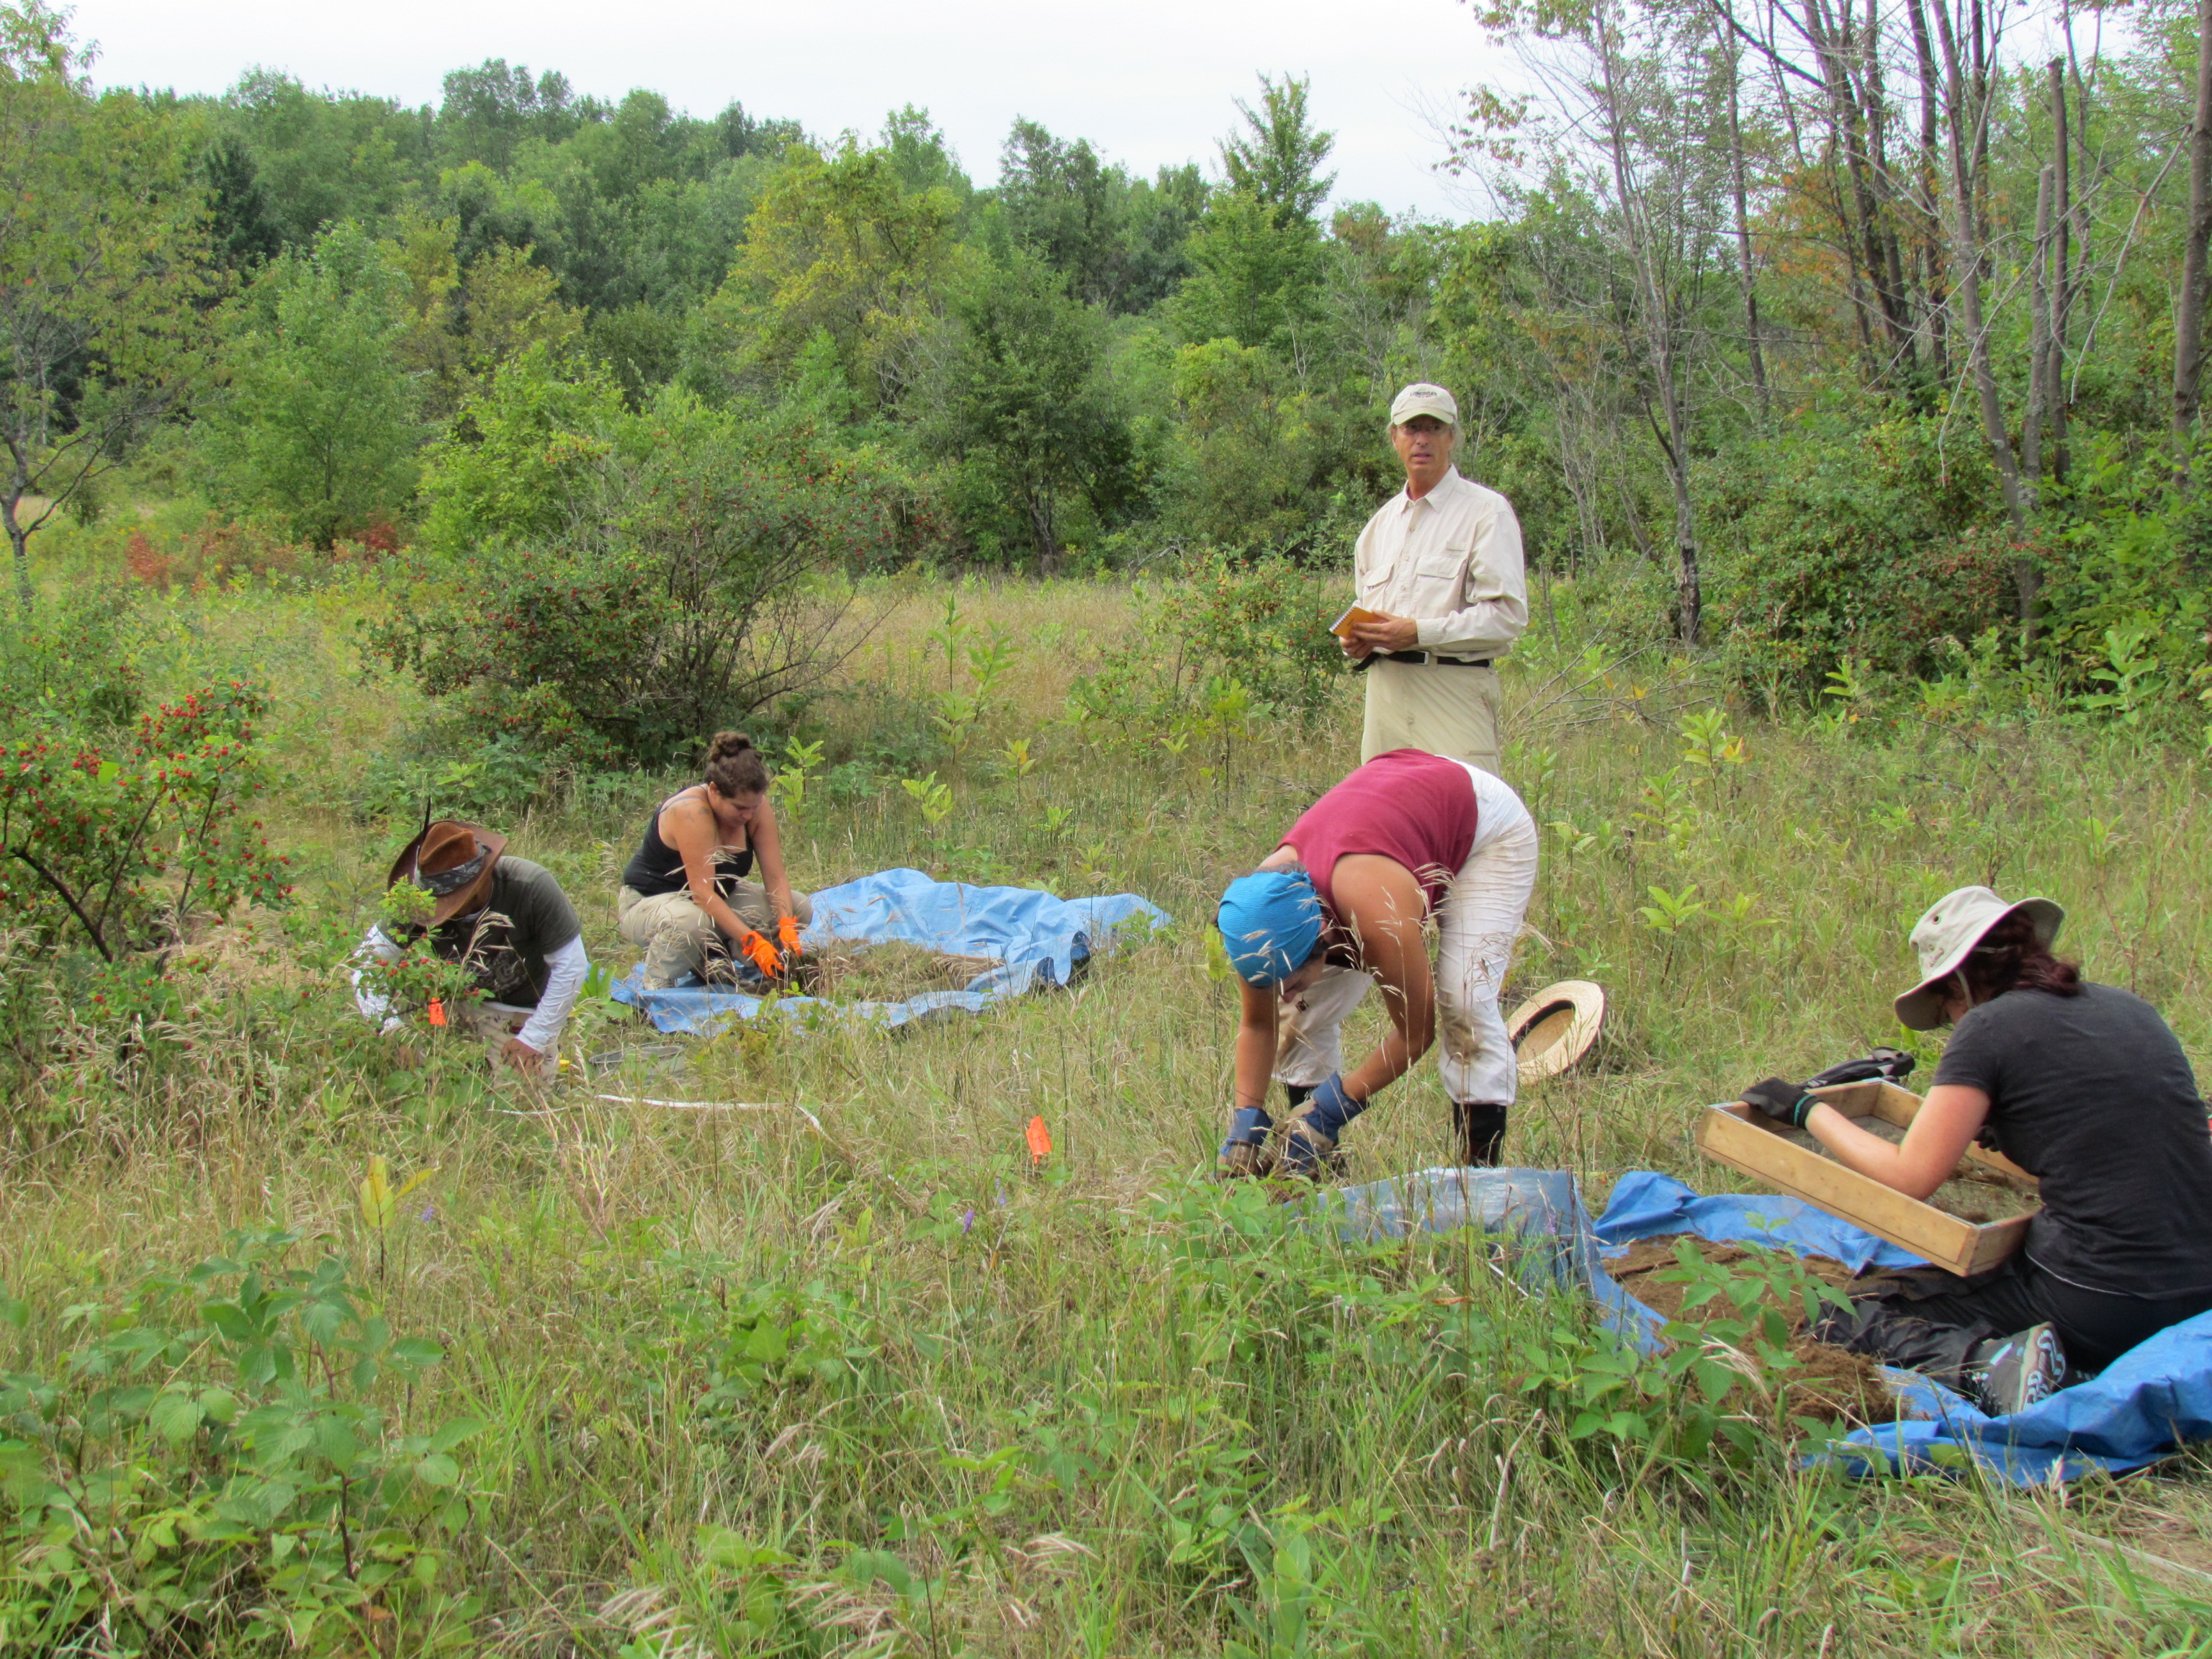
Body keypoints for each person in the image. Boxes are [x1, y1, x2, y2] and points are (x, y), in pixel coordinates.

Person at [1740, 886, 2212, 1416]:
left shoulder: (1989, 1028)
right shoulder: (2132, 1008)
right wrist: (2014, 1131)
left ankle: (1994, 1368)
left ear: (1959, 983)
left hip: (2104, 1299)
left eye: (1947, 1011)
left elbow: (1911, 1175)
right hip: (2200, 1290)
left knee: (1841, 1313)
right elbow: (2110, 1134)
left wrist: (1808, 1110)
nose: (1953, 1023)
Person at [1213, 747, 1539, 1177]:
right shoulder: (1258, 916)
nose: (1283, 994)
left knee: (1466, 1003)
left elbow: (1415, 1033)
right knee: (1300, 1016)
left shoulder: (1376, 913)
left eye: (1289, 982)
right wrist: (1245, 1123)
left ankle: (1478, 1182)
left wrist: (1335, 1107)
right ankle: (1312, 1170)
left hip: (1482, 824)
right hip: (1389, 809)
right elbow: (1259, 1025)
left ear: (1324, 936)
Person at [1338, 382, 1528, 778]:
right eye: (1411, 428)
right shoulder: (1378, 527)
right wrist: (1357, 640)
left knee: (1462, 808)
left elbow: (1507, 617)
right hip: (1385, 696)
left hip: (1453, 690)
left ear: (1451, 437)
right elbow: (1366, 610)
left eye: (1434, 428)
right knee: (1385, 813)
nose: (1422, 439)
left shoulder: (1486, 512)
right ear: (1394, 438)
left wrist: (1419, 632)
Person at [352, 819, 590, 1074]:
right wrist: (392, 1031)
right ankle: (426, 1066)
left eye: (449, 903)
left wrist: (535, 1037)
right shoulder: (419, 900)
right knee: (408, 986)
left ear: (479, 884)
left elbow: (571, 967)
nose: (437, 912)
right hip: (445, 1000)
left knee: (524, 1085)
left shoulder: (529, 885)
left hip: (514, 1010)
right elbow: (367, 962)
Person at [617, 732, 812, 991]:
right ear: (714, 791)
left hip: (715, 901)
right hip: (654, 903)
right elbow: (702, 893)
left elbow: (775, 877)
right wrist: (752, 941)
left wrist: (786, 924)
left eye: (753, 807)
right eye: (739, 808)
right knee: (689, 922)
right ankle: (658, 984)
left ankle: (717, 960)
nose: (748, 815)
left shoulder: (755, 808)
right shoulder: (691, 812)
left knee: (799, 906)